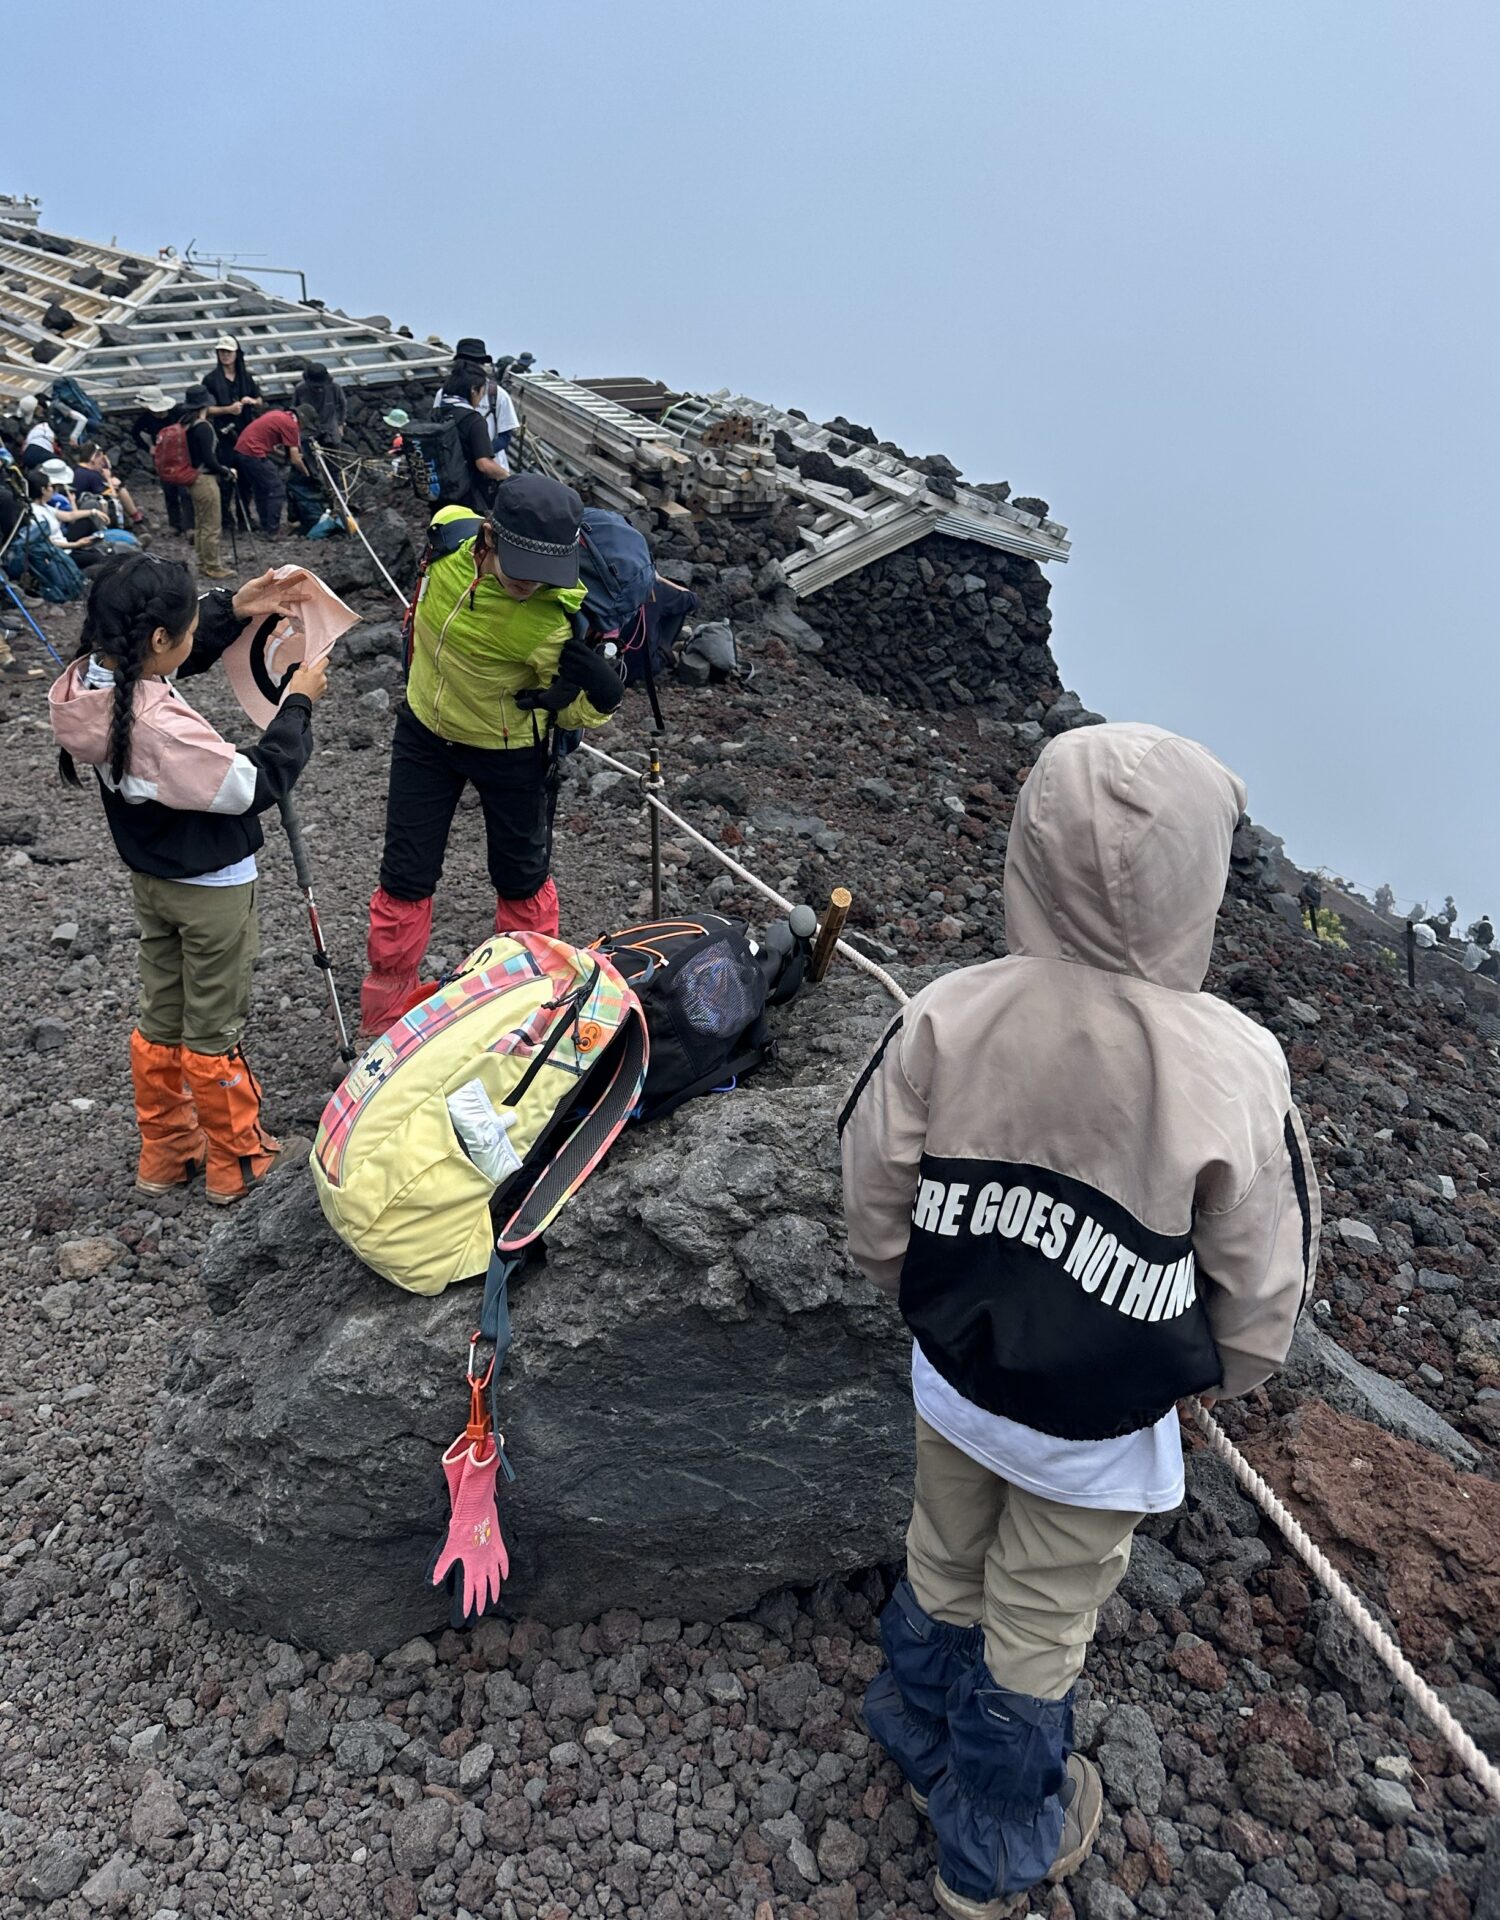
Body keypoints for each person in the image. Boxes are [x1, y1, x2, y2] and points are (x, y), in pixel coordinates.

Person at [840, 723, 1319, 1918]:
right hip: (1098, 1432)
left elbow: (871, 1190)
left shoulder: (950, 1014)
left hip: (957, 1378)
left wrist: (917, 1297)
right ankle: (994, 1840)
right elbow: (1263, 1281)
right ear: (1201, 885)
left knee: (942, 1552)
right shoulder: (1237, 1068)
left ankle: (911, 1721)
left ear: (1028, 851)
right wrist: (1222, 1375)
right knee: (1042, 1620)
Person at [48, 555, 331, 1205]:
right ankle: (238, 1160)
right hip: (212, 891)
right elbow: (253, 784)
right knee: (213, 1025)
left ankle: (166, 1150)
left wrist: (235, 607)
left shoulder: (95, 684)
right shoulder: (160, 728)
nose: (197, 627)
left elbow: (170, 659)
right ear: (155, 640)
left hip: (154, 881)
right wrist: (297, 707)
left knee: (162, 1016)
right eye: (192, 620)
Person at [359, 475, 624, 1036]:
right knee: (405, 876)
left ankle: (531, 998)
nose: (532, 585)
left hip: (509, 752)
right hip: (424, 734)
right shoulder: (446, 547)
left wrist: (600, 695)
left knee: (521, 878)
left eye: (545, 574)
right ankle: (385, 1016)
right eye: (522, 569)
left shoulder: (552, 622)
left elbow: (568, 712)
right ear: (488, 537)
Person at [432, 337, 520, 464]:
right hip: (456, 466)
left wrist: (480, 453)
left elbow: (505, 437)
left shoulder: (497, 395)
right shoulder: (445, 393)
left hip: (491, 464)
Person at [434, 363, 508, 511]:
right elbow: (484, 464)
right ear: (473, 390)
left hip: (441, 494)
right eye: (482, 392)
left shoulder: (438, 412)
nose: (481, 398)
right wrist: (508, 477)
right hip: (467, 497)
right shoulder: (474, 420)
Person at [180, 386, 233, 580]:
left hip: (193, 478)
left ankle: (203, 561)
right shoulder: (203, 427)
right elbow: (210, 459)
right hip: (205, 479)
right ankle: (213, 566)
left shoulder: (186, 425)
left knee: (201, 523)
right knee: (212, 524)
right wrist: (225, 471)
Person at [230, 406, 310, 534]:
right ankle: (272, 530)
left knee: (260, 489)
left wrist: (284, 458)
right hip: (253, 453)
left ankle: (264, 525)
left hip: (241, 450)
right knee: (276, 489)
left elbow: (269, 446)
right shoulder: (292, 426)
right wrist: (306, 473)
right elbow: (296, 459)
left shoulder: (277, 414)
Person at [292, 361, 346, 447]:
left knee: (333, 454)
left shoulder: (334, 388)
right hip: (308, 429)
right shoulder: (300, 389)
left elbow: (342, 405)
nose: (318, 389)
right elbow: (294, 409)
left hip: (330, 427)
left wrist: (341, 424)